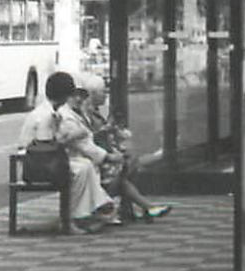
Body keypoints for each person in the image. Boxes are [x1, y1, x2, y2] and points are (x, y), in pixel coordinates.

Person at [16, 70, 116, 233]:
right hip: (37, 164)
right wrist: (74, 135)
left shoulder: (52, 111)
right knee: (82, 169)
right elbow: (48, 143)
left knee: (85, 165)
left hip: (42, 159)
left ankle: (87, 211)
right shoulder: (46, 115)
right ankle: (74, 218)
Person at [70, 74, 171, 222]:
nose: (106, 95)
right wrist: (109, 135)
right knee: (127, 169)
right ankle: (144, 207)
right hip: (96, 163)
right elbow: (92, 139)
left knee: (129, 165)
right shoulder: (86, 115)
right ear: (93, 94)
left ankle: (137, 208)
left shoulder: (93, 112)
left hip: (99, 160)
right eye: (103, 92)